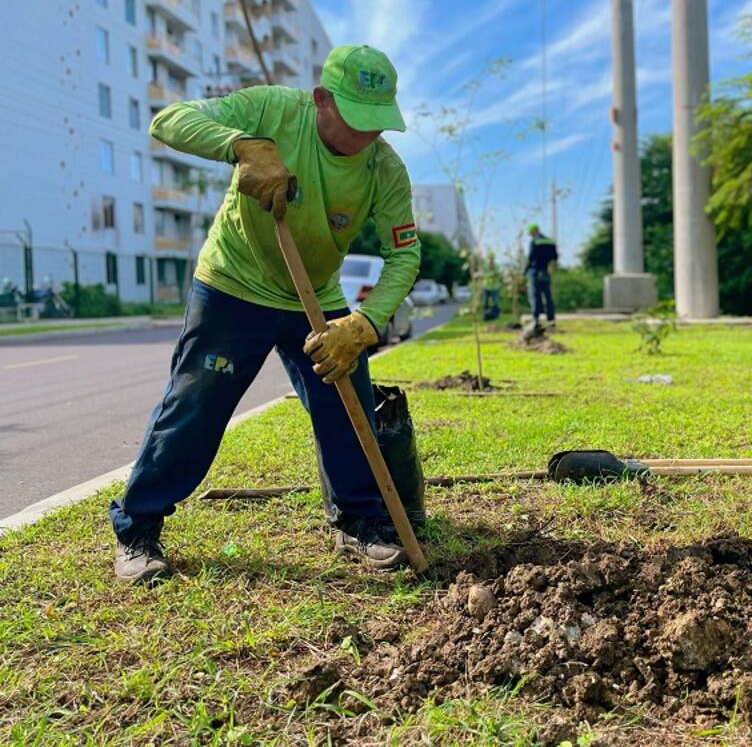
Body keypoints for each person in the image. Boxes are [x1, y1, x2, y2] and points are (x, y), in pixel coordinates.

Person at [108, 44, 421, 584]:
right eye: (357, 121)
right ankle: (138, 528)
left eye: (378, 124)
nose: (368, 136)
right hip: (235, 282)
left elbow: (404, 254)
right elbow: (169, 120)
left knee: (349, 407)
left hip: (315, 296)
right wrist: (241, 146)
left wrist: (365, 324)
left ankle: (361, 521)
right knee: (196, 404)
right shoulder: (273, 111)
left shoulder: (383, 168)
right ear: (321, 99)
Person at [524, 223, 557, 328]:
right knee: (548, 296)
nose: (531, 235)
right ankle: (551, 320)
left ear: (534, 231)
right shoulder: (550, 241)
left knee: (535, 296)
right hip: (546, 271)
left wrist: (524, 272)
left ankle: (536, 320)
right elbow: (555, 257)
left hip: (535, 272)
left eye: (531, 233)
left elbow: (531, 258)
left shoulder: (534, 242)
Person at [481, 252, 502, 321]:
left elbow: (498, 273)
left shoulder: (497, 266)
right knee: (485, 301)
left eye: (492, 258)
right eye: (490, 259)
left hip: (495, 287)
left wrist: (494, 274)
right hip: (486, 286)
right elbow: (483, 274)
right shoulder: (485, 266)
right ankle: (486, 314)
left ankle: (497, 314)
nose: (491, 260)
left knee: (496, 301)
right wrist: (490, 275)